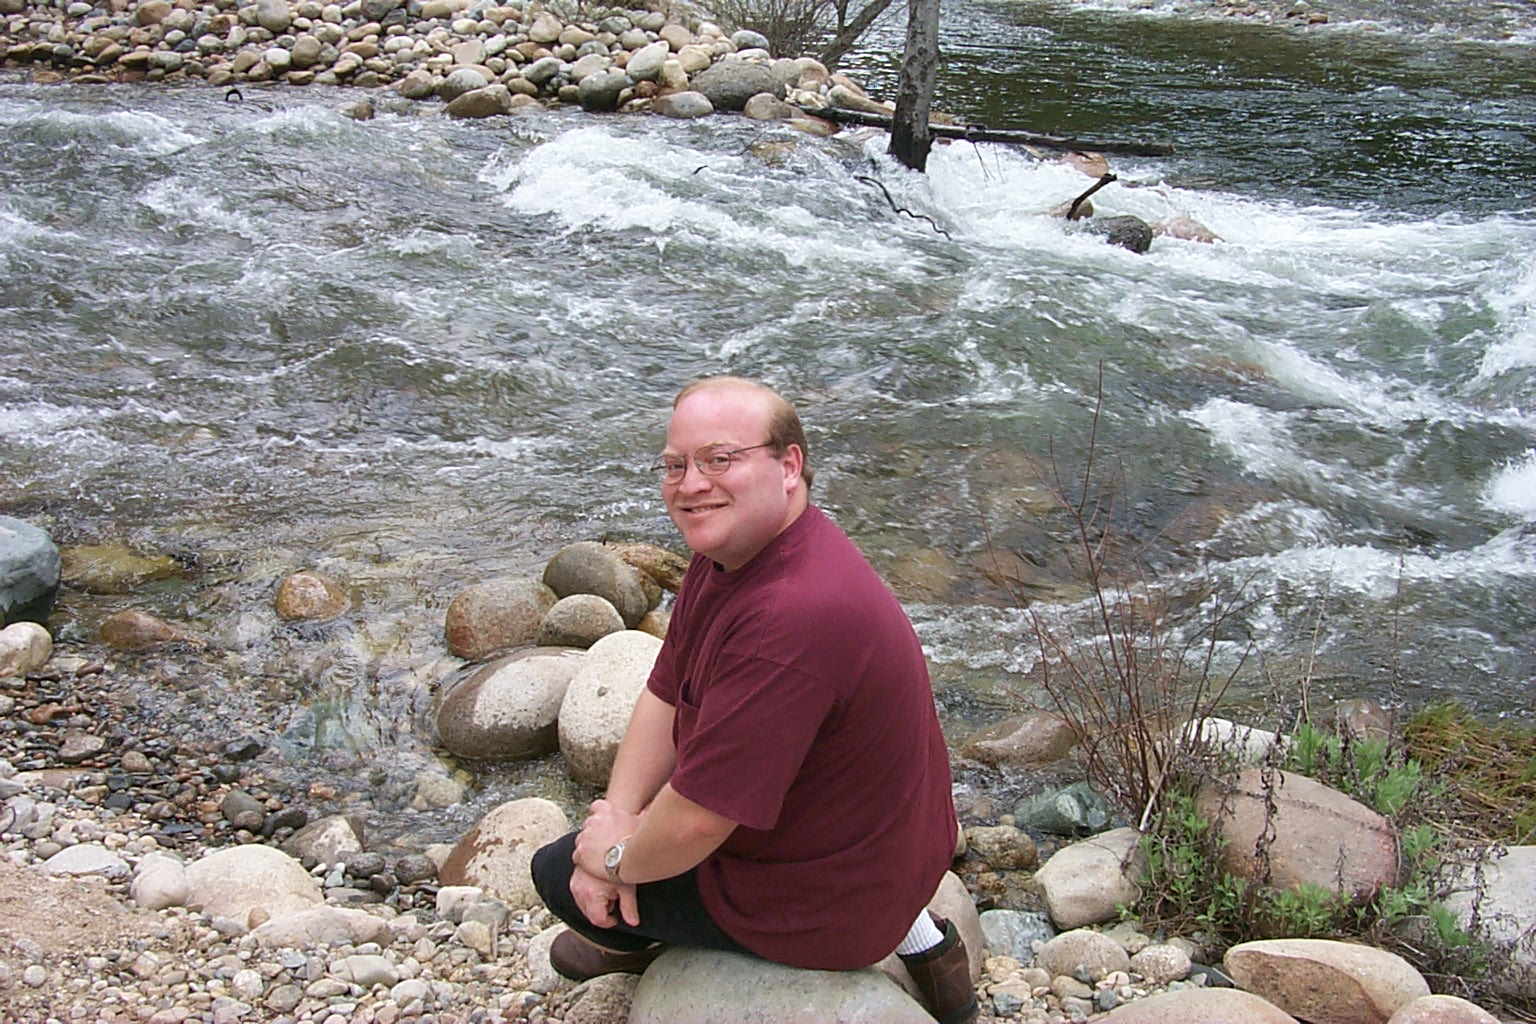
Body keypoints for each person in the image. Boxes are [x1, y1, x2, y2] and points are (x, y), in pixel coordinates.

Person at [530, 376, 976, 1024]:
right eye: (676, 465)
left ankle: (641, 938)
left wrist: (613, 861)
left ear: (789, 466)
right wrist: (619, 812)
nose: (691, 485)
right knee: (623, 827)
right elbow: (665, 688)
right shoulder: (740, 550)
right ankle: (928, 947)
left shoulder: (790, 617)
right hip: (868, 837)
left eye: (720, 460)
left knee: (556, 870)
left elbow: (698, 823)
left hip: (835, 903)